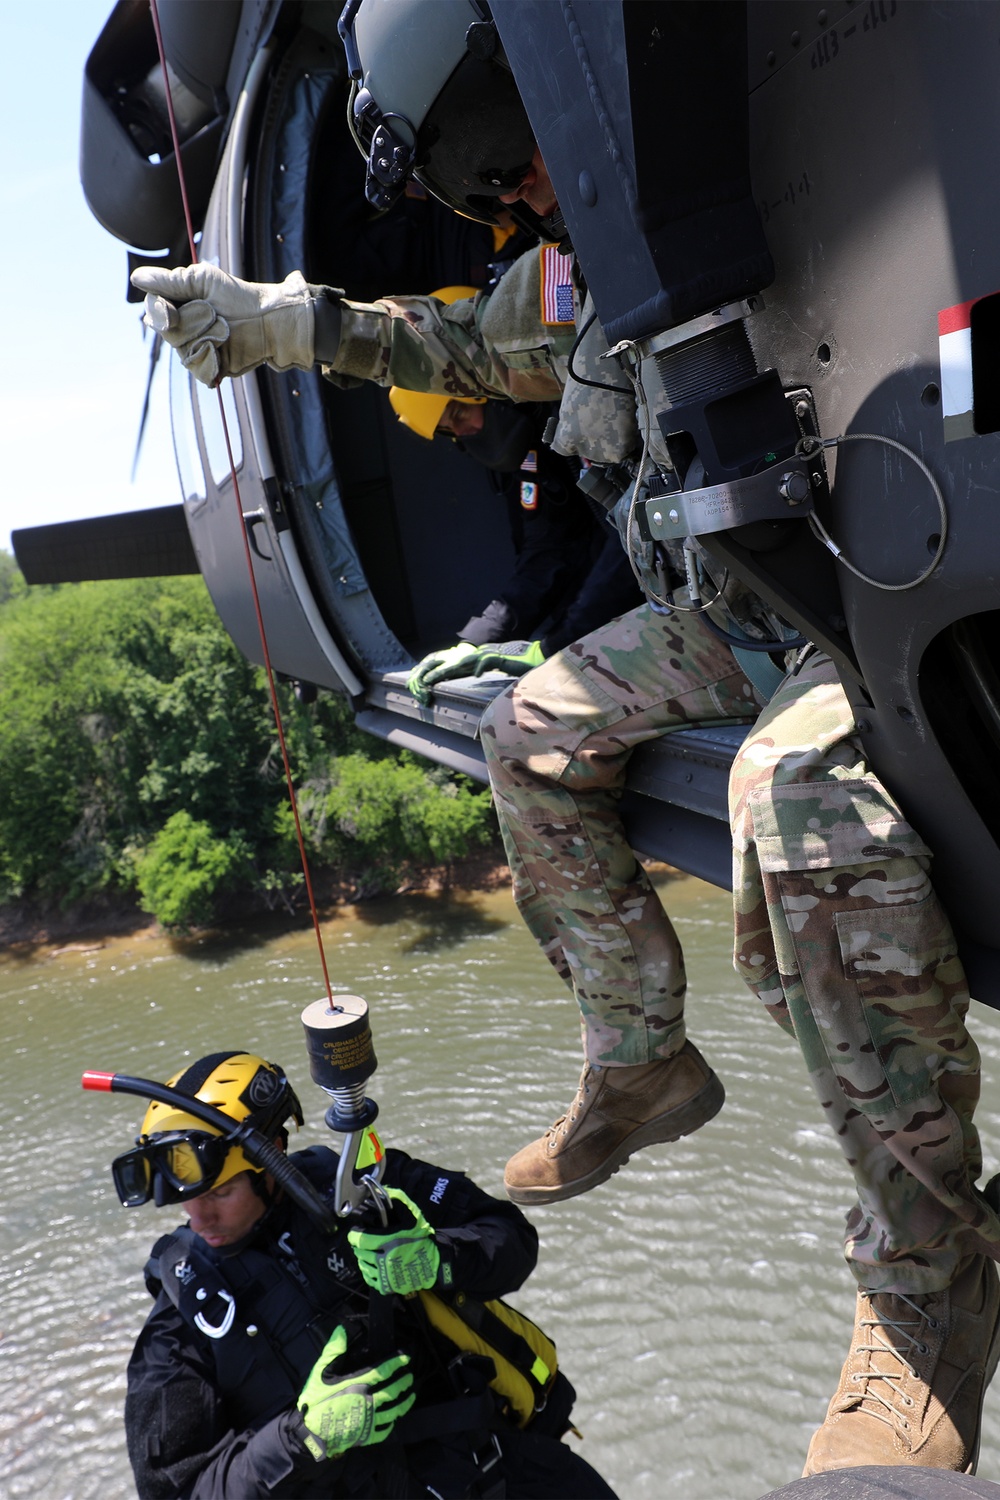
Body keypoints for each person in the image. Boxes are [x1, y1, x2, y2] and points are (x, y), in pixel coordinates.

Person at [129, 0, 1000, 1473]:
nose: (508, 198)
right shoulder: (584, 260)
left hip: (845, 587)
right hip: (722, 609)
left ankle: (927, 1291)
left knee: (793, 806)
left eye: (495, 156)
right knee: (529, 734)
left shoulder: (746, 166)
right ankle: (641, 1058)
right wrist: (272, 322)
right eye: (479, 186)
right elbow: (459, 346)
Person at [113, 1049, 618, 1500]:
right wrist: (302, 1438)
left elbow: (511, 1239)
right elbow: (178, 1489)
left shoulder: (361, 1185)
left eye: (219, 1194)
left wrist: (437, 1260)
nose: (199, 1219)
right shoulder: (183, 1319)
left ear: (272, 1153)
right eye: (186, 1201)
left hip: (500, 1468)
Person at [388, 372, 641, 702]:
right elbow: (549, 549)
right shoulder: (531, 454)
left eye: (460, 414)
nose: (466, 433)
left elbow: (637, 532)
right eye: (451, 431)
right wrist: (477, 641)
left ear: (483, 392)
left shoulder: (586, 405)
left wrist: (556, 644)